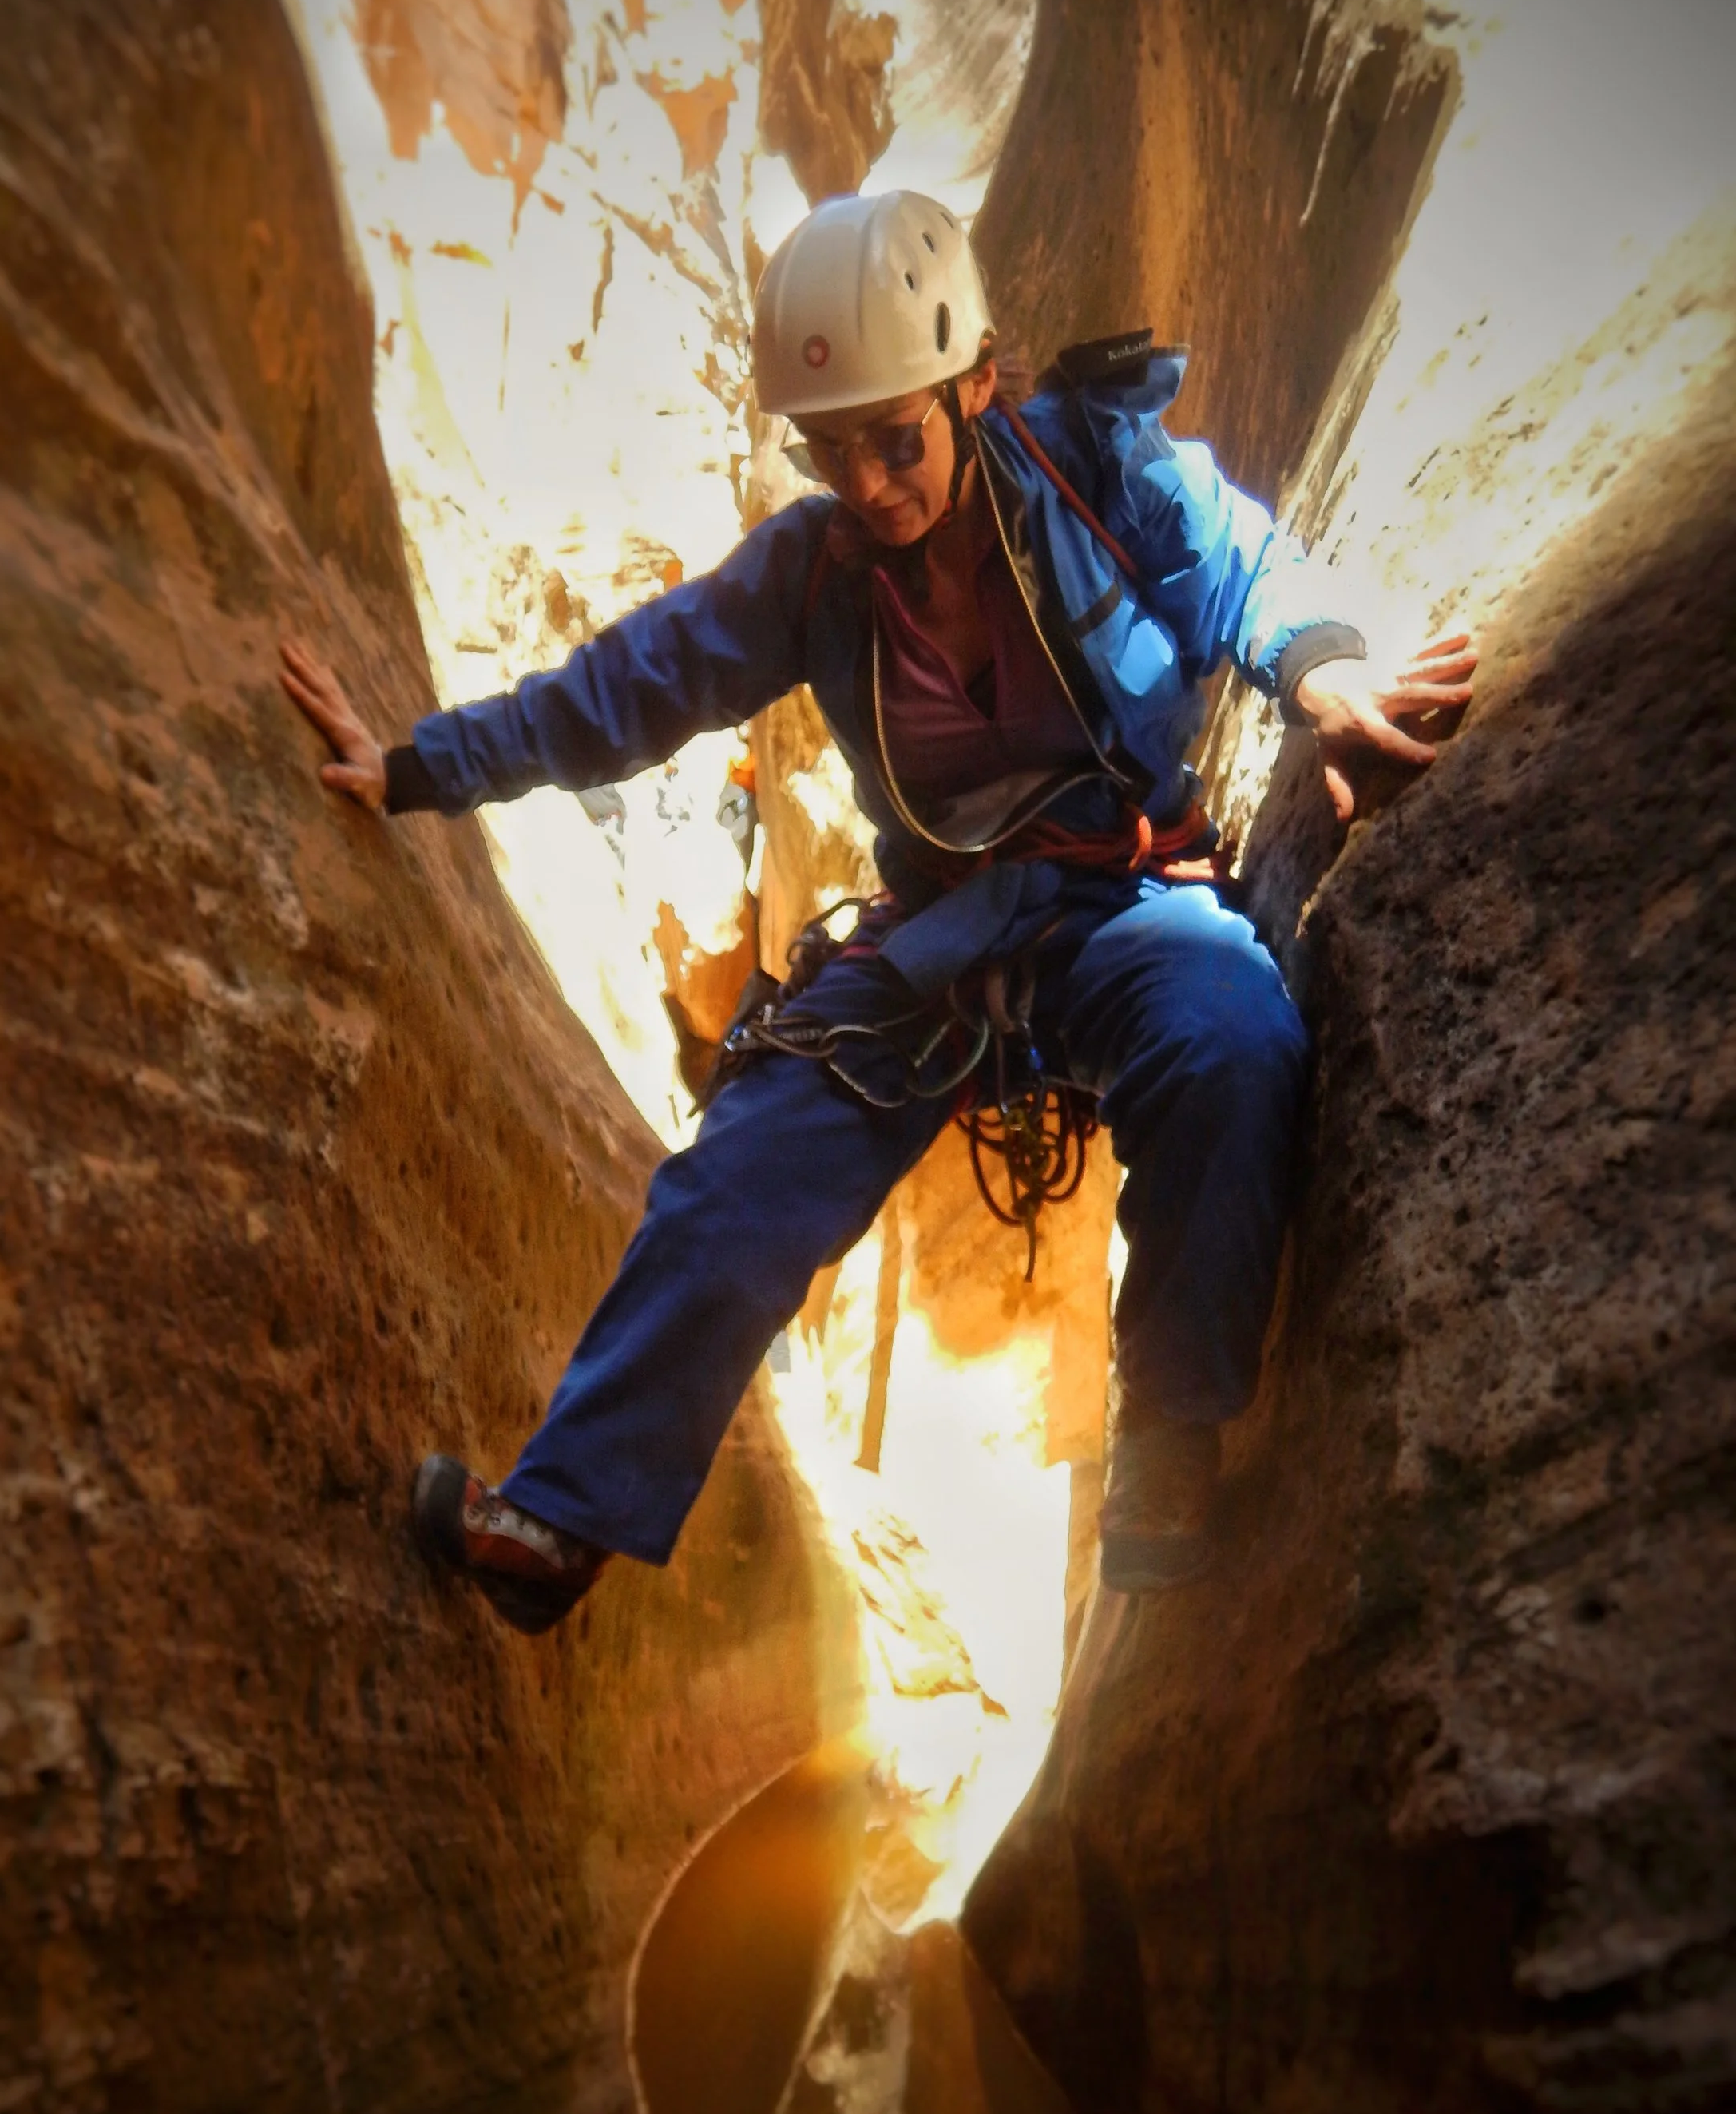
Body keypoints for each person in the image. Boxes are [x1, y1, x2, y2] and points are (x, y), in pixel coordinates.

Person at [281, 192, 1472, 1633]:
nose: (867, 482)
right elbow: (626, 692)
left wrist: (1323, 674)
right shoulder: (819, 571)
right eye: (828, 449)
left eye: (894, 439)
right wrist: (415, 766)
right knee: (742, 1169)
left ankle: (1169, 1442)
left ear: (973, 386)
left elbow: (1238, 563)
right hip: (939, 943)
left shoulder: (1097, 462)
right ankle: (562, 1515)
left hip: (1120, 899)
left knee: (1229, 1040)